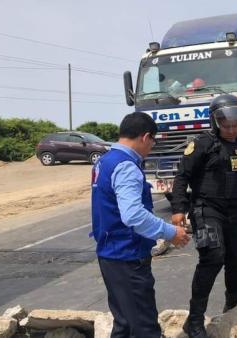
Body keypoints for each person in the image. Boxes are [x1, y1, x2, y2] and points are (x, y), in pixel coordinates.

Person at [91, 112, 190, 338]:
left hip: (110, 253)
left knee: (124, 324)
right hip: (128, 256)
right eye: (153, 141)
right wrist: (170, 232)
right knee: (145, 328)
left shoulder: (104, 161)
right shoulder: (127, 167)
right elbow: (133, 215)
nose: (152, 147)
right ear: (146, 137)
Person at [170, 94, 237, 338]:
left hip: (234, 211)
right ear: (215, 123)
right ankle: (195, 320)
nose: (231, 130)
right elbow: (181, 177)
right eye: (226, 126)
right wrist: (178, 209)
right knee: (213, 257)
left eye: (235, 125)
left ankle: (231, 307)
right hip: (206, 208)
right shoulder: (202, 144)